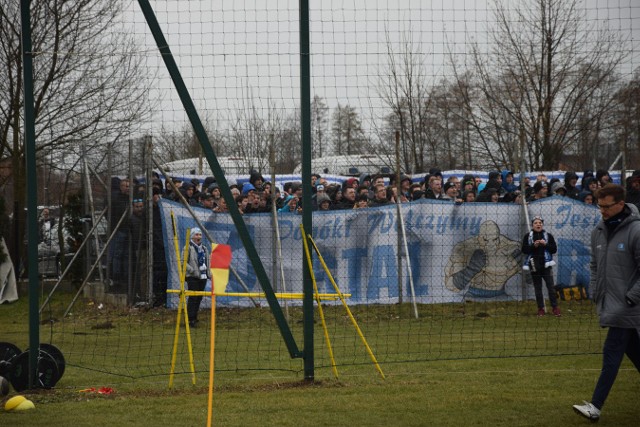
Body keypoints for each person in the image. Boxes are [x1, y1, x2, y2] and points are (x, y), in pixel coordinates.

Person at [572, 184, 640, 422]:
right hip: (609, 305)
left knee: (611, 354)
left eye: (606, 206)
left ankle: (595, 406)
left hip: (628, 308)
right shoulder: (598, 231)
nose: (602, 211)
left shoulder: (636, 231)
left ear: (620, 204)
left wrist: (631, 297)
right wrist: (595, 291)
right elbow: (594, 266)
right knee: (634, 352)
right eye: (599, 206)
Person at [521, 216, 560, 317]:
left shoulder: (548, 236)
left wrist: (545, 244)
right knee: (538, 288)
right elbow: (524, 250)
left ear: (542, 224)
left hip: (546, 265)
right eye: (536, 223)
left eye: (540, 223)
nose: (538, 224)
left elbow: (554, 249)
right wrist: (534, 246)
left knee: (551, 287)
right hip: (534, 264)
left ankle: (555, 308)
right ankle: (541, 309)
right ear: (532, 225)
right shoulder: (528, 236)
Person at [185, 227, 210, 328]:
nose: (198, 236)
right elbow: (183, 262)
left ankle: (194, 317)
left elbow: (207, 261)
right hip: (192, 277)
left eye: (200, 234)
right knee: (193, 297)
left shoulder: (204, 248)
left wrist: (208, 273)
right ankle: (190, 319)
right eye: (196, 235)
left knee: (199, 298)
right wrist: (193, 271)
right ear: (192, 236)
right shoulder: (188, 248)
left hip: (203, 276)